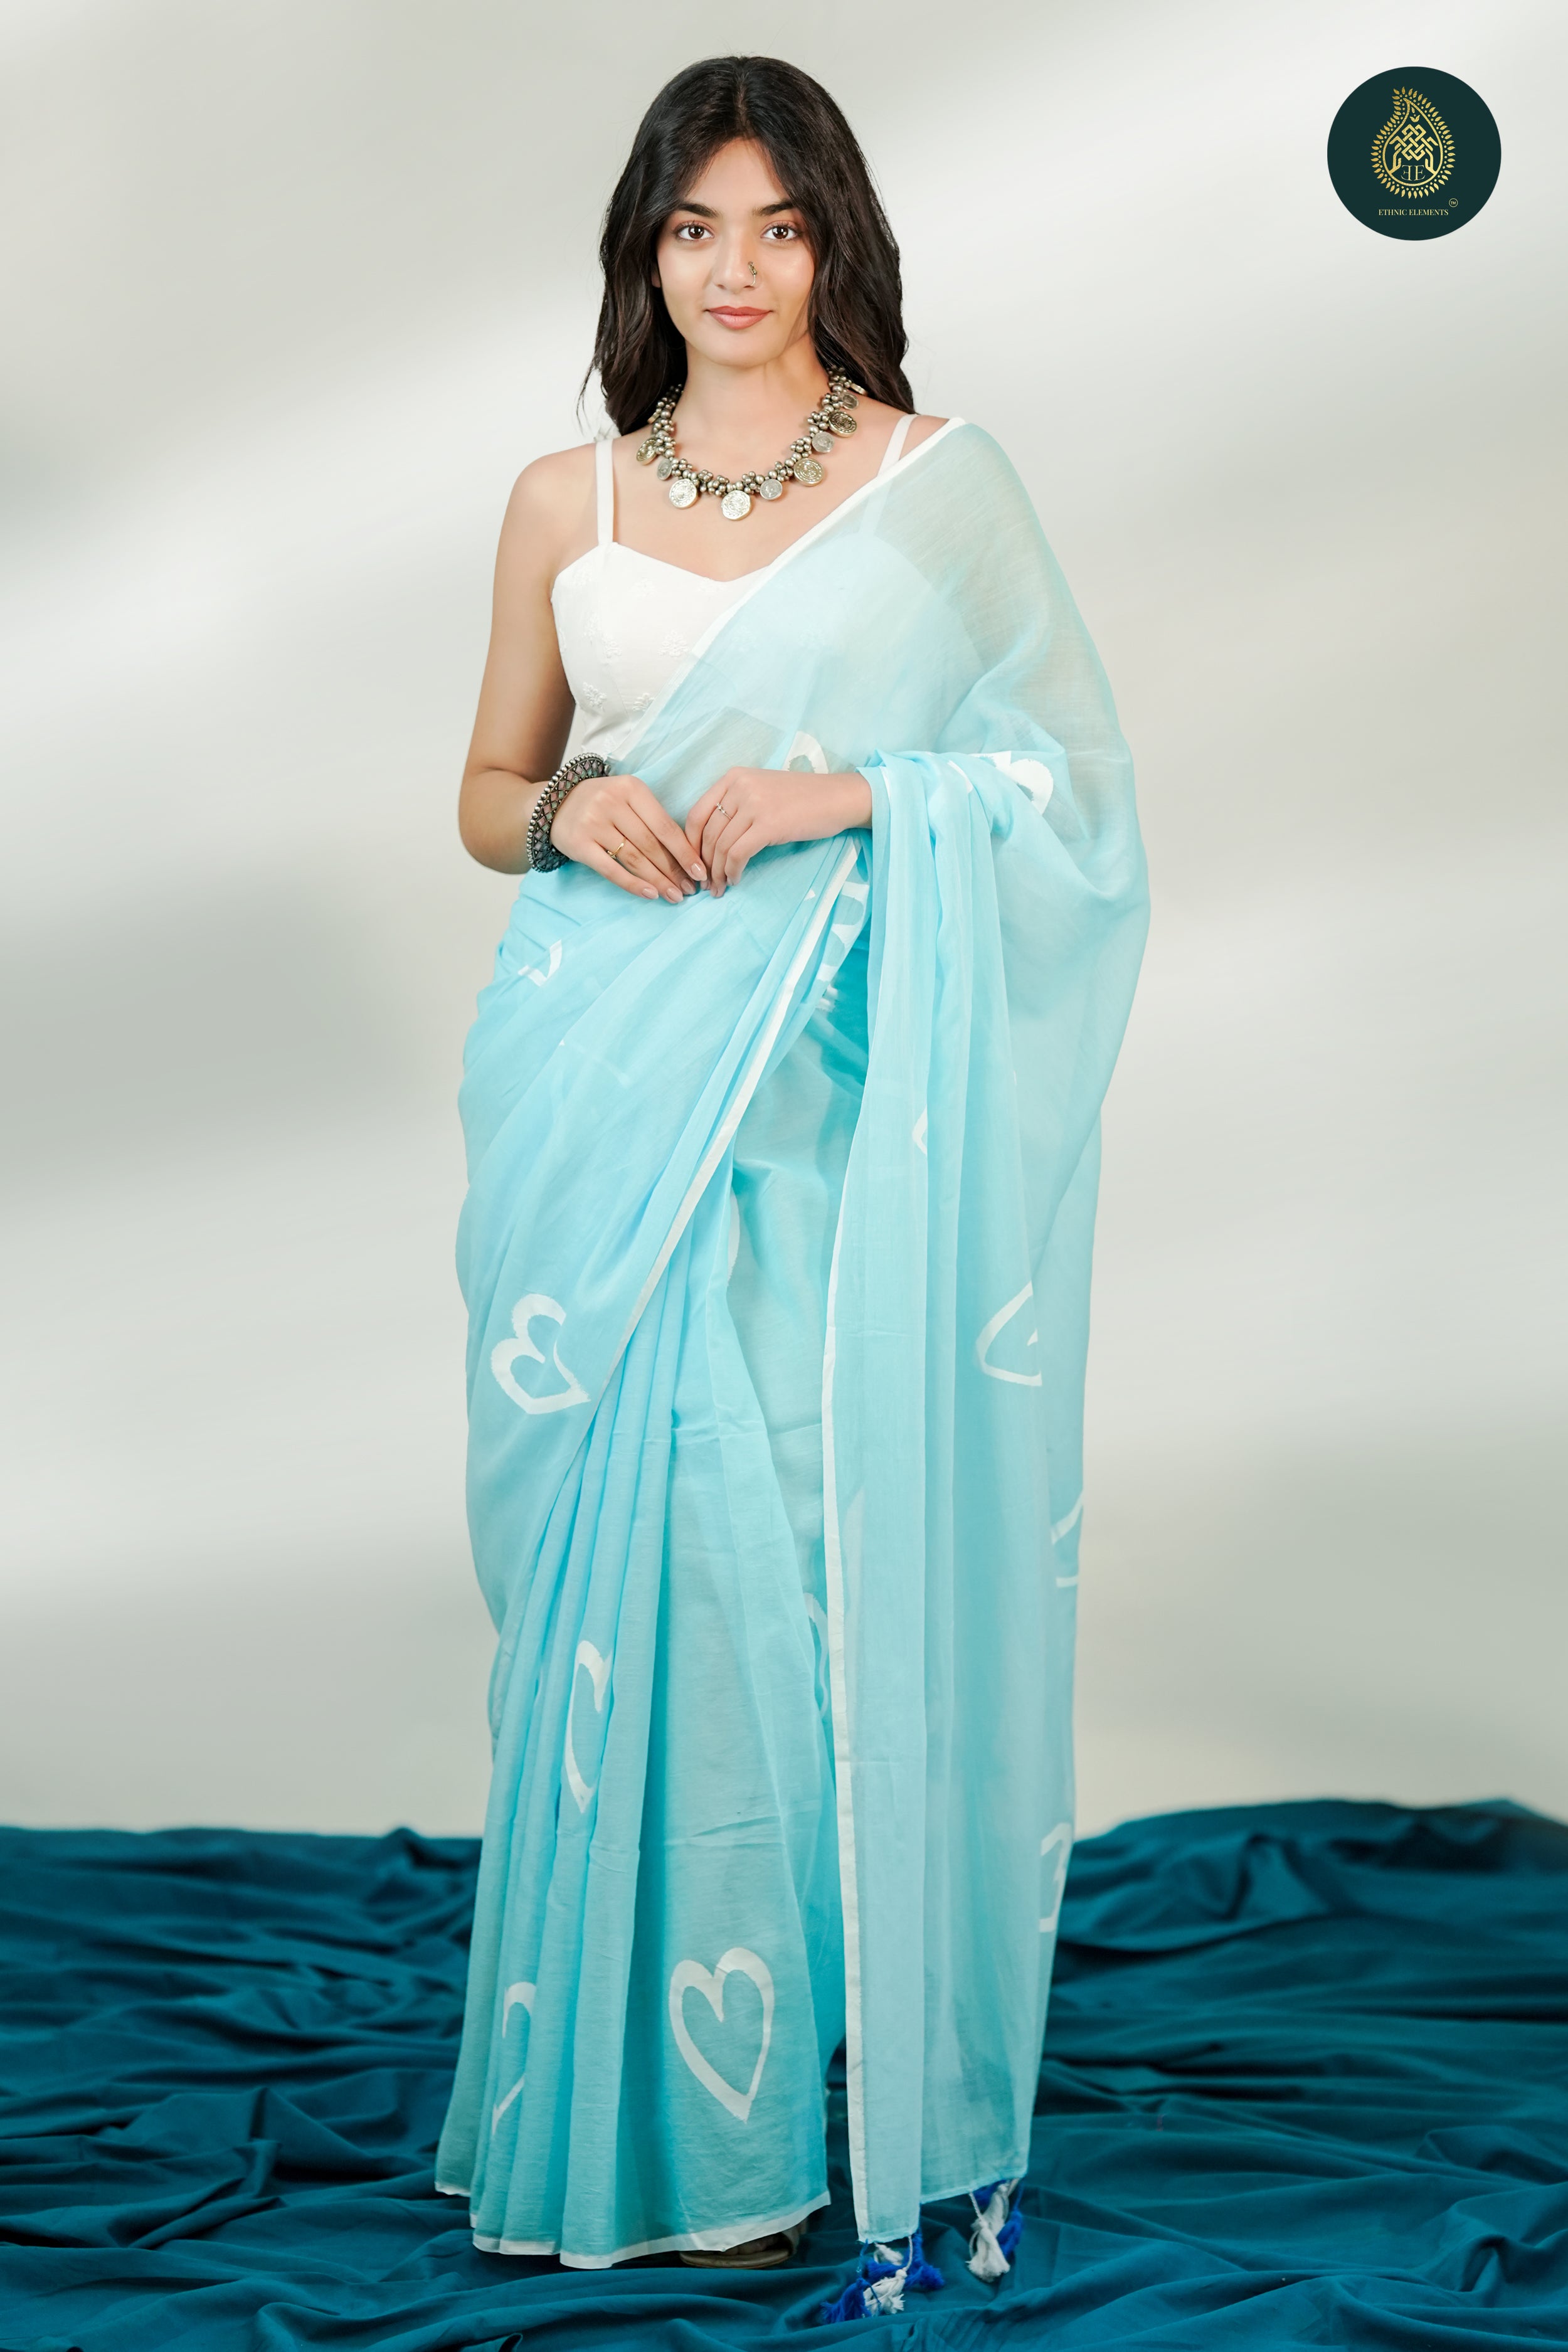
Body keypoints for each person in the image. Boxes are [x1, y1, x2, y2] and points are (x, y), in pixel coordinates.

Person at [436, 53, 1148, 2296]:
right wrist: (569, 811)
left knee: (788, 1560)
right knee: (626, 1566)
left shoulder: (938, 487)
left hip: (823, 1091)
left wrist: (859, 795)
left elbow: (1072, 787)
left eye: (775, 224)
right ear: (643, 254)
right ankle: (626, 2112)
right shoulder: (563, 497)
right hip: (594, 1074)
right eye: (691, 230)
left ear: (835, 238)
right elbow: (485, 787)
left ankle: (771, 2080)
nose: (733, 271)